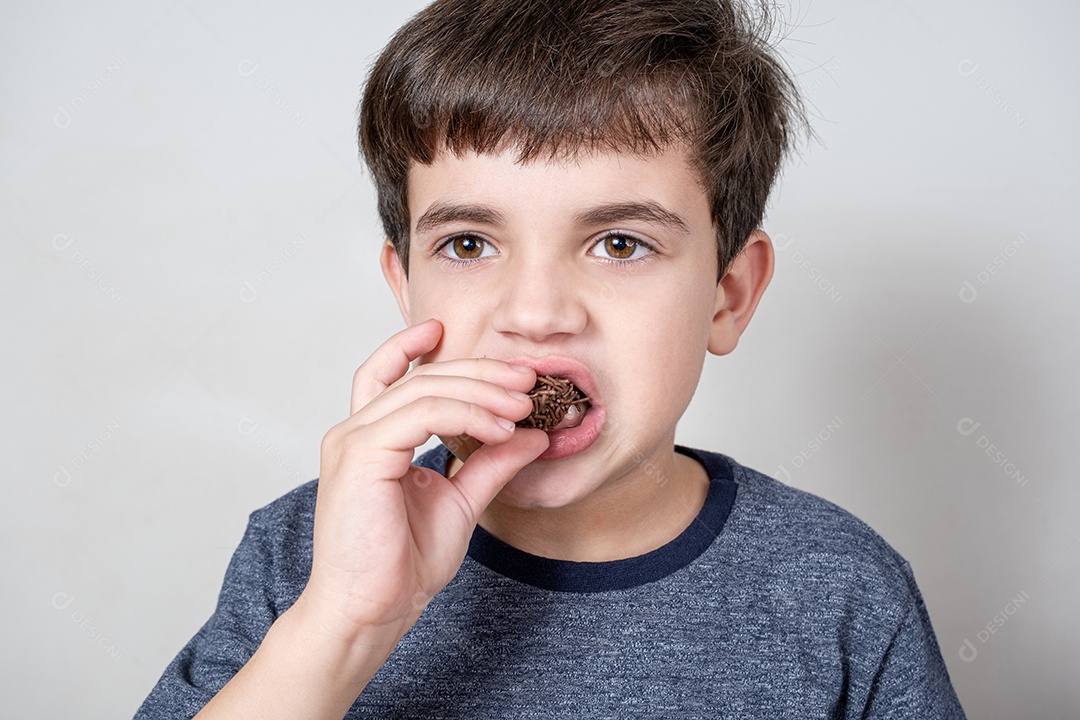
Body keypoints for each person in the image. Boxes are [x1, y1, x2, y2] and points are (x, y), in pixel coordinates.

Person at [135, 0, 967, 717]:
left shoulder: (840, 593)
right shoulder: (306, 556)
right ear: (406, 287)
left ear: (728, 295)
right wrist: (346, 621)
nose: (534, 315)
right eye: (468, 243)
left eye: (618, 243)